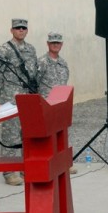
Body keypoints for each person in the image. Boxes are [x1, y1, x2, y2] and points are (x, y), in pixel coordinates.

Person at [0, 18, 38, 186]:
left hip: (27, 97)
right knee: (10, 135)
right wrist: (2, 95)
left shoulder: (31, 49)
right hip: (10, 98)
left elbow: (34, 73)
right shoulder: (4, 50)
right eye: (17, 28)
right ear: (11, 30)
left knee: (27, 134)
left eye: (24, 28)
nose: (21, 30)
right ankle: (9, 172)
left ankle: (26, 167)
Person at [36, 31, 77, 175]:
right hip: (46, 104)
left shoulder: (63, 63)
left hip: (61, 104)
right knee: (48, 136)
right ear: (48, 44)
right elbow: (35, 83)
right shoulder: (41, 62)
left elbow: (64, 83)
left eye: (58, 43)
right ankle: (48, 164)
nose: (55, 45)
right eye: (53, 43)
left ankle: (64, 163)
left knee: (63, 135)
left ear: (62, 45)